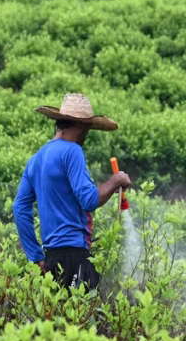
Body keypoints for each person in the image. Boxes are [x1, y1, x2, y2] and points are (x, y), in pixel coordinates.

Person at [13, 93, 132, 290]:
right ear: (81, 126)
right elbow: (89, 200)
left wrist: (36, 256)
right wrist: (116, 180)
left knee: (56, 318)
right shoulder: (72, 151)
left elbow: (19, 208)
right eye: (87, 128)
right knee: (82, 318)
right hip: (75, 257)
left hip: (50, 259)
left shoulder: (35, 159)